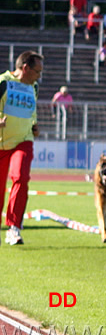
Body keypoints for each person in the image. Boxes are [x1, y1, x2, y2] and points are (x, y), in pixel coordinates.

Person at [0, 51, 43, 246]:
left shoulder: (34, 86)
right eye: (37, 71)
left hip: (23, 141)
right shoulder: (3, 82)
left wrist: (34, 126)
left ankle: (14, 228)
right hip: (1, 143)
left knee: (21, 177)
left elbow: (31, 111)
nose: (39, 76)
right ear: (25, 68)